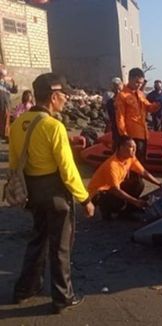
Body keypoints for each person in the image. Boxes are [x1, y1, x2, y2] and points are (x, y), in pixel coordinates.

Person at [9, 73, 95, 313]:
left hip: (33, 191)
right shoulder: (53, 126)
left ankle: (25, 289)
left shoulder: (18, 124)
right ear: (54, 96)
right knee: (60, 247)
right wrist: (85, 199)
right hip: (56, 193)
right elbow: (68, 170)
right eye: (64, 96)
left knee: (38, 238)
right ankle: (62, 296)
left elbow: (15, 162)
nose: (66, 100)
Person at [88, 135, 162, 220]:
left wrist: (159, 184)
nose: (134, 150)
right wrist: (135, 202)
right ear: (121, 147)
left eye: (135, 147)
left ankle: (126, 211)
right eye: (131, 147)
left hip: (113, 188)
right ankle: (106, 210)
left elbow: (143, 172)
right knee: (118, 201)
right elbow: (115, 190)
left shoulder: (130, 158)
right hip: (100, 192)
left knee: (138, 183)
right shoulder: (112, 165)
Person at [115, 68, 160, 162]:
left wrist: (158, 105)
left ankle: (139, 176)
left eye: (141, 83)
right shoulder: (122, 96)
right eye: (137, 82)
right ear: (130, 79)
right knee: (132, 162)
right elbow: (120, 117)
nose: (139, 85)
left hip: (143, 133)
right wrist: (125, 136)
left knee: (141, 160)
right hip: (132, 135)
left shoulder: (140, 94)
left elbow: (149, 107)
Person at [103, 77, 124, 149]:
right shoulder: (108, 96)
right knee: (110, 132)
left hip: (122, 125)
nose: (117, 88)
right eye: (115, 85)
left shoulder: (125, 97)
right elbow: (105, 106)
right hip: (112, 120)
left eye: (118, 85)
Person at [0, 67, 18, 142]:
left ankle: (5, 135)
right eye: (2, 75)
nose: (3, 77)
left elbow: (14, 91)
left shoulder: (6, 85)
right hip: (0, 104)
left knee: (6, 120)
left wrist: (13, 82)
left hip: (6, 104)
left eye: (4, 75)